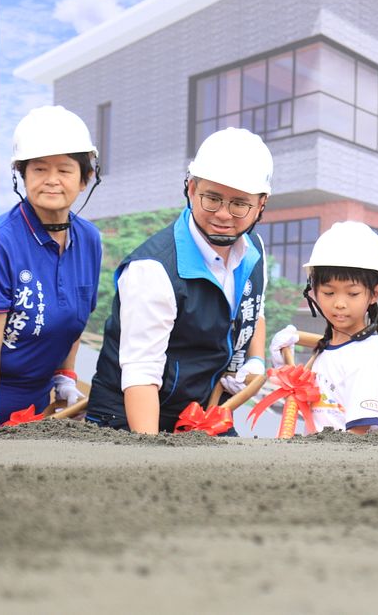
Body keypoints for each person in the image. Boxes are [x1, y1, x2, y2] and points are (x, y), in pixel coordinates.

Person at [86, 128, 272, 433]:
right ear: (190, 187)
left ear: (261, 204)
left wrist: (256, 360)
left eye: (240, 204)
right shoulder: (154, 269)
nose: (224, 214)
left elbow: (255, 309)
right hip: (130, 418)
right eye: (212, 198)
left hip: (200, 413)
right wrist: (150, 458)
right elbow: (141, 376)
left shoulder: (254, 251)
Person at [0, 106, 103, 428]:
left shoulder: (89, 239)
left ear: (85, 179)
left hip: (37, 404)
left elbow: (75, 319)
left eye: (64, 170)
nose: (52, 181)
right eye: (39, 170)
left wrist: (66, 377)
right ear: (22, 177)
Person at [267, 221, 378, 435]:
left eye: (352, 293)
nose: (339, 303)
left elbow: (360, 433)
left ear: (375, 294)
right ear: (313, 292)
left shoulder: (365, 357)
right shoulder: (331, 349)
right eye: (329, 293)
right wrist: (284, 368)